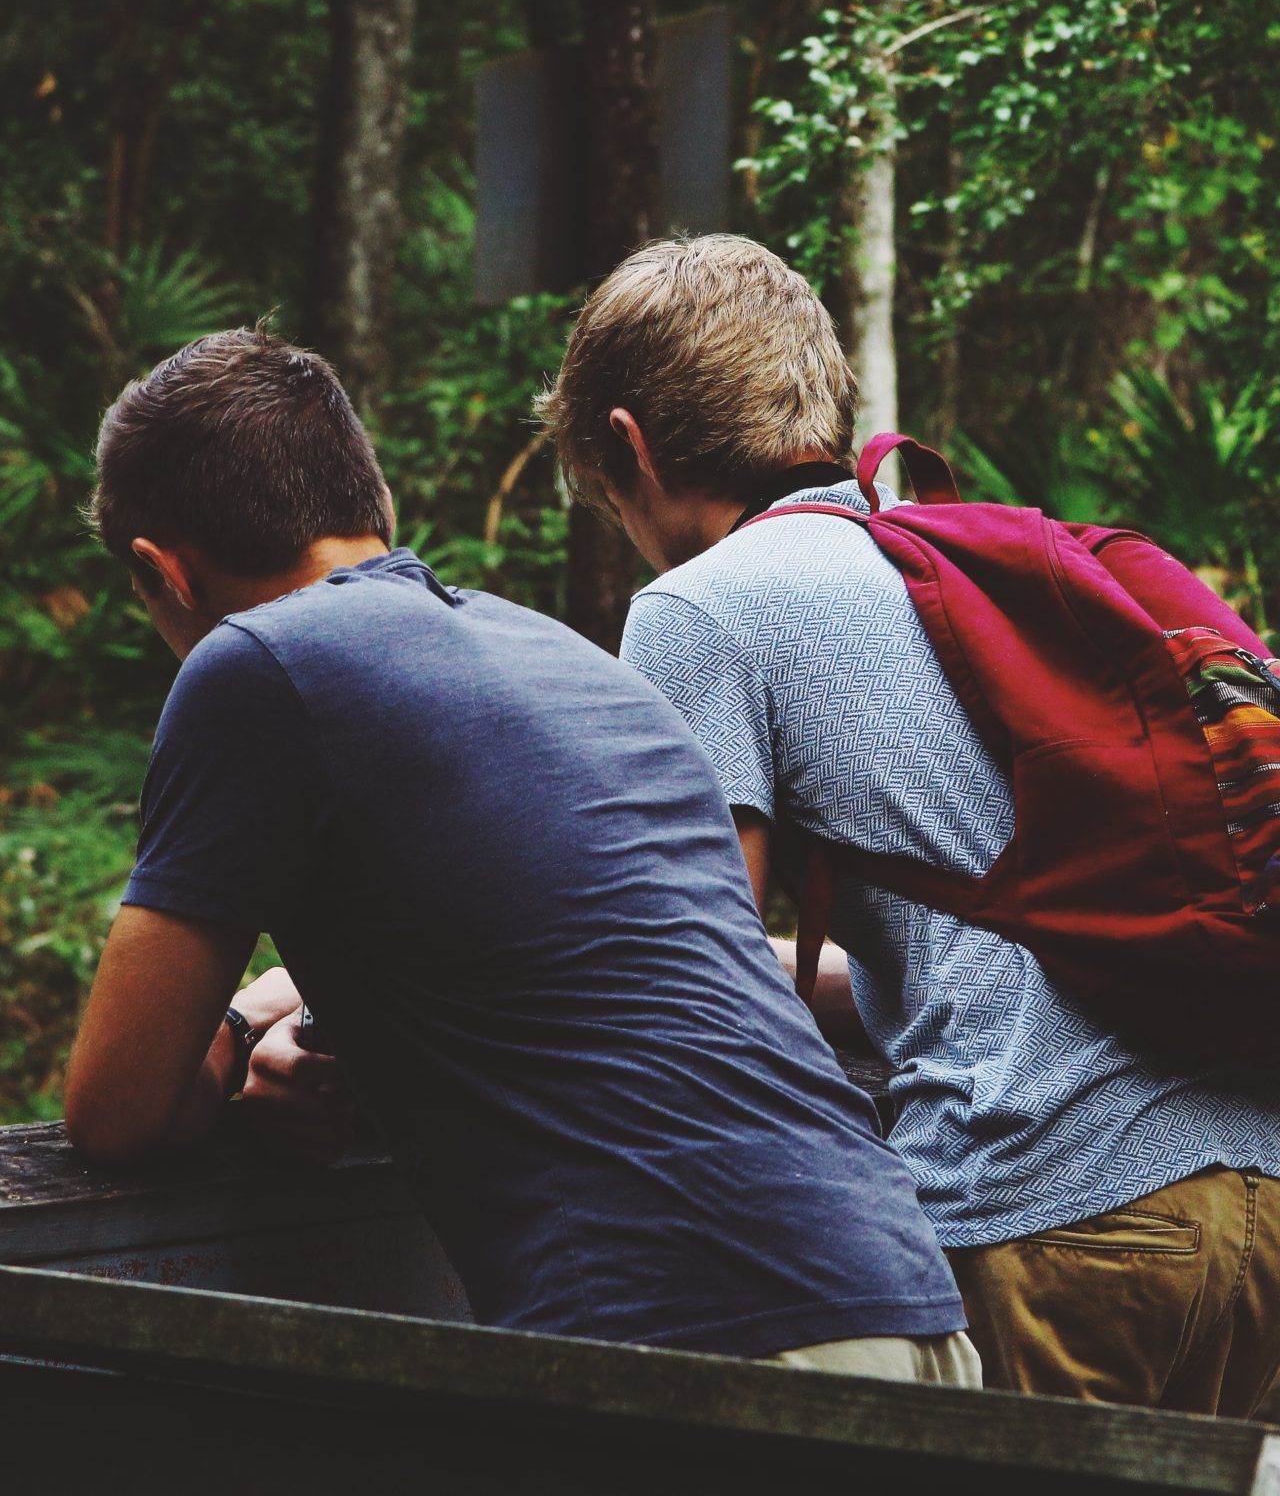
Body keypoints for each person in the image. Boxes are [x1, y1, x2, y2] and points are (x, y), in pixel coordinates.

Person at [65, 322, 978, 1384]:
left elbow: (116, 1110)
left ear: (162, 573)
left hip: (696, 1335)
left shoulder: (255, 665)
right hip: (903, 1304)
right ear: (373, 509)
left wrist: (226, 1036)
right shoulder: (564, 660)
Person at [534, 232, 1280, 1416]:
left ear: (629, 444)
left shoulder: (697, 611)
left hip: (1049, 1205)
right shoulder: (958, 570)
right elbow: (965, 947)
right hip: (1255, 1194)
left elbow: (693, 984)